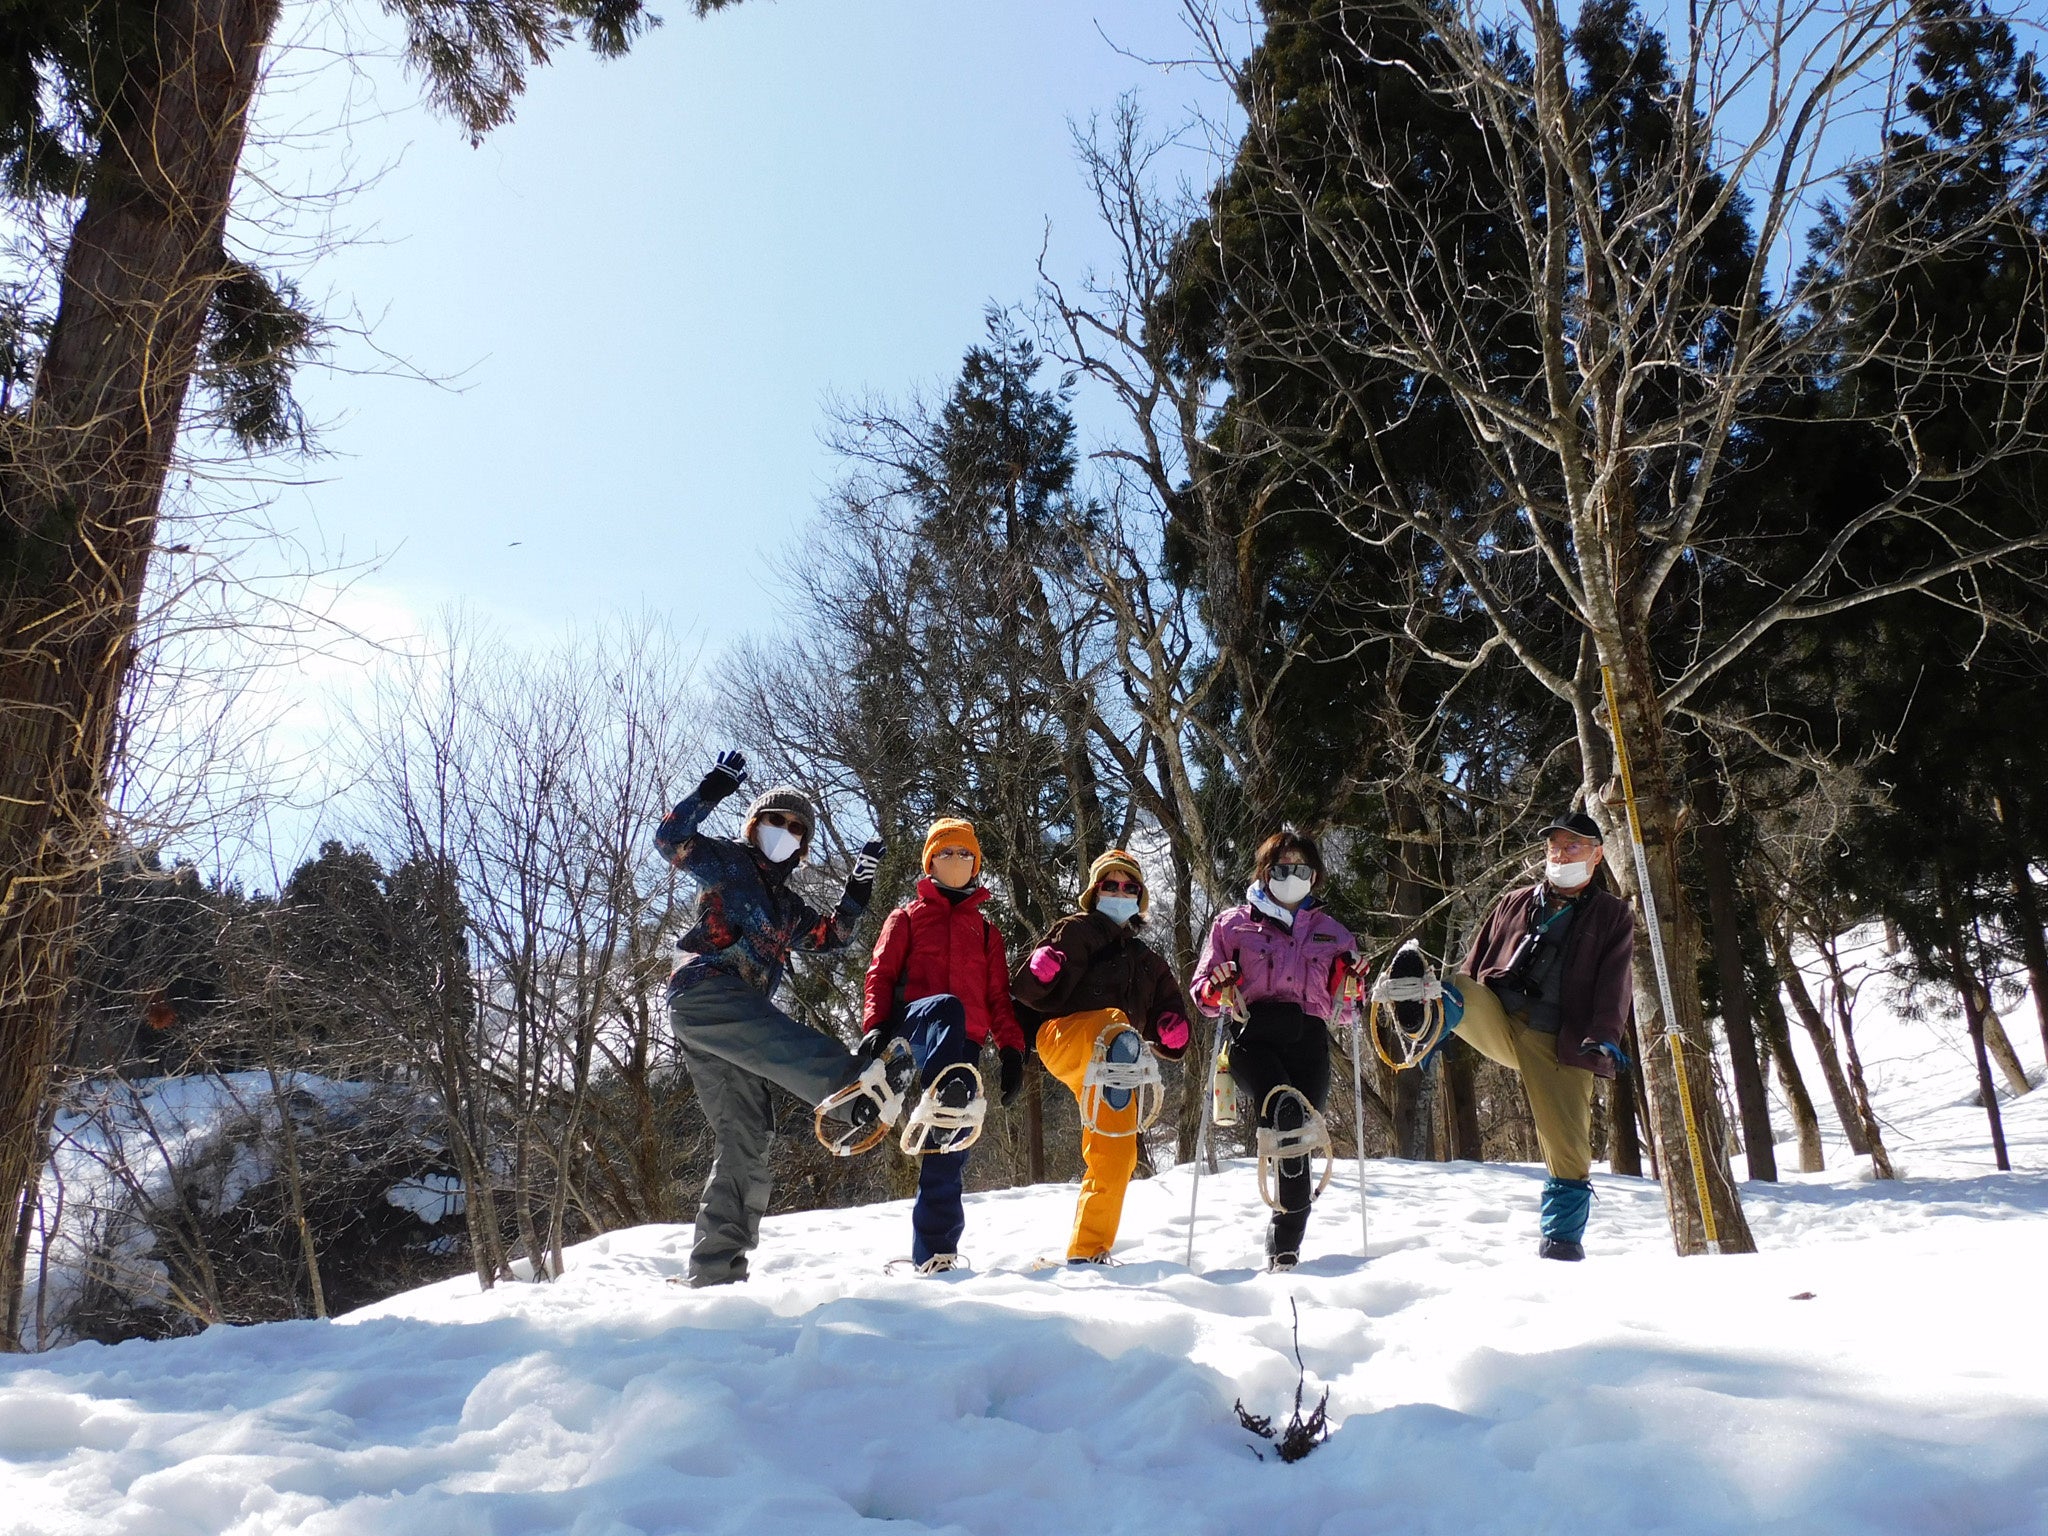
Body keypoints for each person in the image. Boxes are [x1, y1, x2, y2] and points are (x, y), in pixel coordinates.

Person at [655, 749, 902, 1287]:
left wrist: (857, 890)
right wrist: (712, 789)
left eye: (796, 829)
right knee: (780, 1038)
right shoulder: (726, 863)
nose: (785, 832)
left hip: (734, 1027)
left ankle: (715, 1273)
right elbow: (669, 839)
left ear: (803, 846)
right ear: (754, 826)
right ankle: (851, 1089)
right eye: (776, 822)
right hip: (704, 993)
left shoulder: (788, 910)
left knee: (747, 1136)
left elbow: (835, 936)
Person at [1396, 809, 1633, 1261]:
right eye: (1554, 846)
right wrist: (1451, 1018)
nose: (1560, 854)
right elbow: (1474, 964)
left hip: (1562, 1041)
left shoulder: (1611, 915)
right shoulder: (1515, 900)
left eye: (1572, 847)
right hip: (1502, 1019)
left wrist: (1605, 1035)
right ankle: (1426, 1013)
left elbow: (1615, 983)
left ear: (1597, 855)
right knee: (1459, 989)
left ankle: (1562, 1242)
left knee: (1568, 1151)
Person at [861, 817, 1029, 1274]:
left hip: (963, 1047)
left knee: (950, 1142)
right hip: (915, 1028)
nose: (955, 861)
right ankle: (902, 1082)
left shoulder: (987, 932)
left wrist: (1013, 1050)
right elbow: (880, 976)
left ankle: (936, 1253)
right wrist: (874, 1026)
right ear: (930, 861)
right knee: (948, 1008)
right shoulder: (907, 917)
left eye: (964, 854)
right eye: (946, 853)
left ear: (976, 865)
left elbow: (997, 998)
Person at [1190, 829, 1361, 1272]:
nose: (1291, 876)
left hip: (1309, 1038)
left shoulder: (1333, 933)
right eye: (1281, 868)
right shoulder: (1232, 924)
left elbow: (1347, 1012)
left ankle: (1286, 1243)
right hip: (1253, 1035)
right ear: (1265, 873)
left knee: (1300, 1136)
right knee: (1285, 1111)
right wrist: (1216, 986)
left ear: (1315, 875)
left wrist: (1352, 986)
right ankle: (1285, 1244)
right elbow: (1203, 995)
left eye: (1300, 869)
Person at [1011, 849, 1192, 1265]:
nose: (1120, 891)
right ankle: (1117, 1046)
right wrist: (1041, 970)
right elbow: (1024, 992)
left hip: (1114, 1067)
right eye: (1111, 884)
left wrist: (1171, 1028)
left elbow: (1173, 1023)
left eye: (1130, 887)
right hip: (1065, 1039)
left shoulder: (1148, 963)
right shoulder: (1075, 931)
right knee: (1114, 1024)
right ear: (1095, 892)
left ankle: (1087, 1251)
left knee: (1118, 1155)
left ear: (1140, 898)